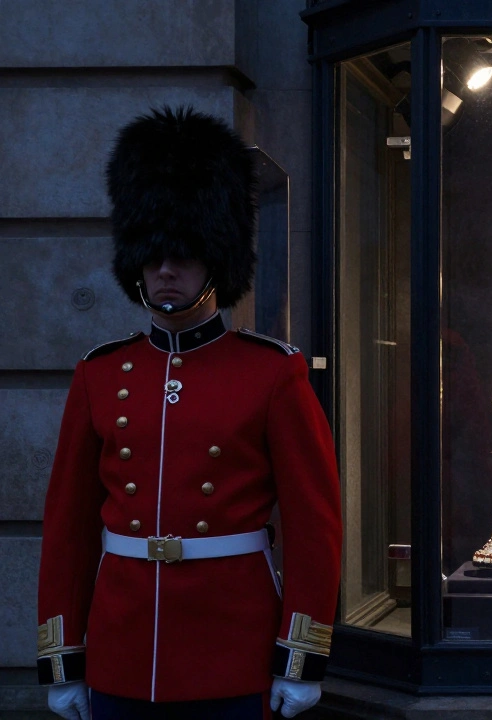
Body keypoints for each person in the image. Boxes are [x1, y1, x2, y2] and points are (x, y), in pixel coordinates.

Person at [35, 107, 343, 720]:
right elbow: (67, 529)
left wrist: (299, 659)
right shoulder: (100, 373)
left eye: (183, 256)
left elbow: (314, 528)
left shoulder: (272, 373)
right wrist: (64, 656)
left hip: (230, 647)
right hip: (122, 649)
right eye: (153, 258)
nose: (166, 270)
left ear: (215, 263)